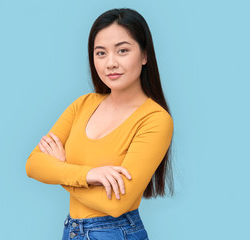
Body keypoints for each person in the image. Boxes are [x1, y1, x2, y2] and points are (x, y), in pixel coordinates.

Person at [25, 8, 174, 240]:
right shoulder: (83, 104)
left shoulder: (155, 119)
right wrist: (89, 175)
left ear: (144, 55)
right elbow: (33, 164)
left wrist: (62, 170)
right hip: (72, 230)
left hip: (116, 232)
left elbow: (117, 204)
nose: (110, 63)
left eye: (122, 50)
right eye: (101, 53)